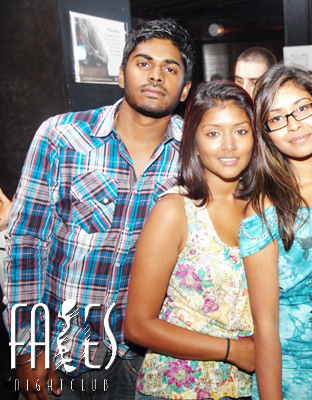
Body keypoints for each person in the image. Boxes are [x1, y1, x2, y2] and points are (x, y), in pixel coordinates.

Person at [2, 18, 195, 400]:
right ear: (121, 74)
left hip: (143, 361)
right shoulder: (61, 137)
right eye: (144, 63)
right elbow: (26, 244)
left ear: (185, 89)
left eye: (170, 68)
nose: (156, 75)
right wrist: (28, 346)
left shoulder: (193, 156)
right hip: (61, 353)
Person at [124, 81, 258, 400]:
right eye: (213, 133)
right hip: (179, 388)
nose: (229, 145)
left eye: (240, 131)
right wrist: (233, 351)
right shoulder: (175, 211)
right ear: (194, 142)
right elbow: (138, 325)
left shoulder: (263, 207)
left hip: (250, 388)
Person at [239, 64, 312, 400]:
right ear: (265, 132)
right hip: (296, 379)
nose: (293, 124)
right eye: (277, 118)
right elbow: (265, 326)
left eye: (302, 108)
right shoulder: (263, 208)